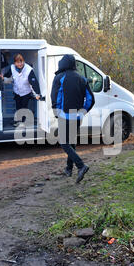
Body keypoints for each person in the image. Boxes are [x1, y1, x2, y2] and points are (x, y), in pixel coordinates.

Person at [51, 54, 95, 183]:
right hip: (77, 117)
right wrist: (83, 111)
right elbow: (91, 99)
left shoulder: (59, 77)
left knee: (64, 143)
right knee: (71, 142)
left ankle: (81, 166)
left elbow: (55, 96)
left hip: (64, 116)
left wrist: (56, 111)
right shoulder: (82, 78)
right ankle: (69, 169)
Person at [0, 54, 41, 127]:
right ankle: (18, 121)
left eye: (21, 62)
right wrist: (3, 78)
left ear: (23, 61)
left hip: (26, 92)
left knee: (24, 107)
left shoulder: (29, 69)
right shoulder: (12, 68)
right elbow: (8, 77)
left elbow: (33, 83)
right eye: (18, 62)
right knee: (18, 107)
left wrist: (37, 94)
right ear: (14, 63)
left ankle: (24, 122)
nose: (20, 64)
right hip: (17, 92)